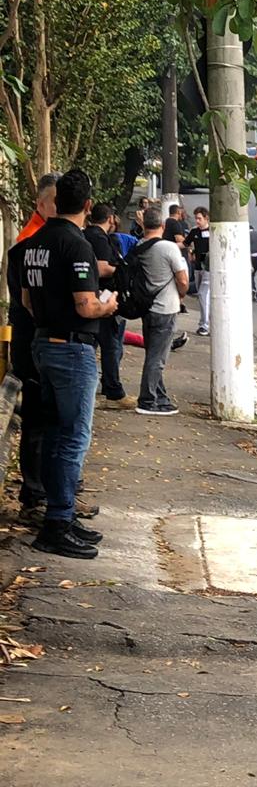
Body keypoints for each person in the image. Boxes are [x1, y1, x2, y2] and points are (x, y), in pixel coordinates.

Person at [20, 169, 118, 558]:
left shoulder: (35, 242)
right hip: (72, 349)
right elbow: (86, 305)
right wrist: (107, 305)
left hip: (43, 343)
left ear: (55, 202)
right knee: (73, 437)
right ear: (88, 205)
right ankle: (57, 522)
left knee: (58, 434)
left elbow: (28, 301)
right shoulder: (76, 246)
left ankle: (61, 516)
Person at [6, 172, 59, 523]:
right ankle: (34, 496)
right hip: (32, 341)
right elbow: (29, 301)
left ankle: (49, 492)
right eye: (56, 201)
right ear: (40, 205)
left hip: (38, 340)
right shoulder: (30, 243)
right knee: (38, 422)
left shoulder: (41, 237)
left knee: (48, 420)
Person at [135, 205, 189, 415]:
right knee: (157, 358)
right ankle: (147, 400)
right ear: (163, 225)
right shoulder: (168, 247)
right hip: (166, 308)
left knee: (153, 354)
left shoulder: (140, 245)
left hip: (147, 307)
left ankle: (161, 397)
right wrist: (182, 293)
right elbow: (182, 279)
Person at [83, 203, 132, 409]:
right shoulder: (99, 238)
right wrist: (120, 270)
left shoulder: (88, 235)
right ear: (110, 219)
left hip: (94, 296)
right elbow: (102, 268)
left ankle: (102, 385)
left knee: (95, 345)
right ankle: (113, 390)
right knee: (111, 346)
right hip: (103, 298)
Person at [189, 206, 211, 335]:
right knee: (202, 295)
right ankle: (206, 322)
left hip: (209, 268)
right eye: (196, 218)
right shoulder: (194, 232)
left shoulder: (213, 231)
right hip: (198, 267)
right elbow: (185, 243)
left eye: (199, 218)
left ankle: (205, 325)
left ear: (206, 218)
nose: (197, 221)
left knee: (203, 294)